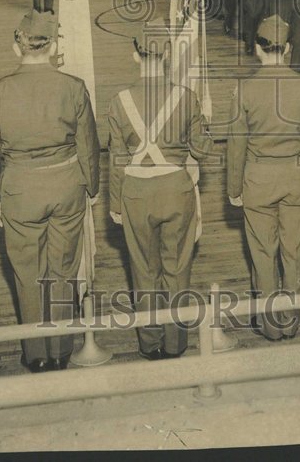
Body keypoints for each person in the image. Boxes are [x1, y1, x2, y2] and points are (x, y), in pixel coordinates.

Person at [0, 10, 100, 373]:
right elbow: (88, 146)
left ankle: (37, 354)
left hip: (19, 191)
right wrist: (91, 188)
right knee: (62, 269)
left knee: (27, 273)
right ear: (53, 46)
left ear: (17, 46)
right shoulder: (74, 87)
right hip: (66, 186)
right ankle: (62, 349)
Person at [106, 25, 215, 359]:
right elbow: (201, 151)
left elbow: (115, 159)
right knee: (177, 269)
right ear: (167, 55)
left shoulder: (120, 100)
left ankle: (150, 344)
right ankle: (175, 343)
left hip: (136, 192)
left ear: (135, 54)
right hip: (176, 191)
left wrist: (115, 203)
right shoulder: (186, 97)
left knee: (143, 271)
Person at [226, 15, 300, 341]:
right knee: (294, 252)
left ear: (257, 48)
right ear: (289, 48)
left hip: (258, 179)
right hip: (297, 178)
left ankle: (270, 326)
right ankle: (291, 322)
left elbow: (236, 145)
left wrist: (234, 188)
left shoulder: (245, 90)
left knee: (263, 253)